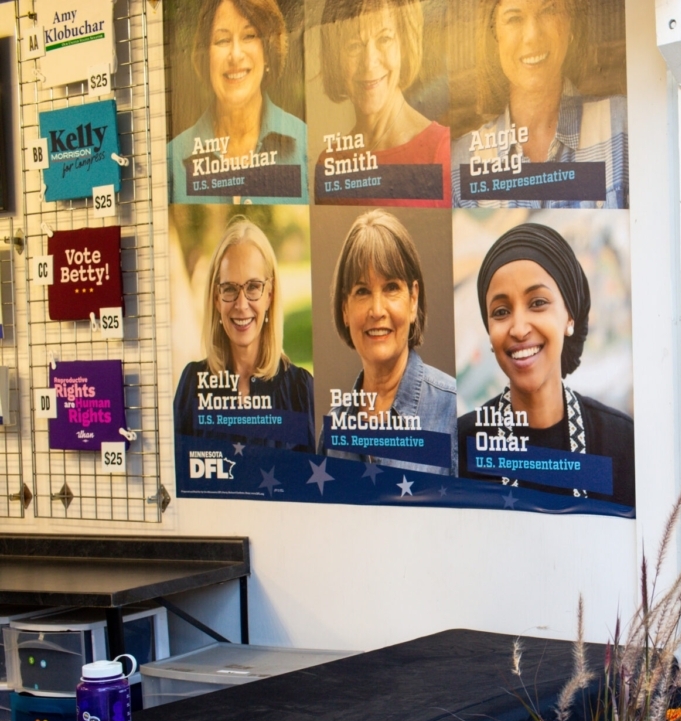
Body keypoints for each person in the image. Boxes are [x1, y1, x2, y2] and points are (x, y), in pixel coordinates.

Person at [457, 223, 634, 507]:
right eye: (501, 312)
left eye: (537, 302)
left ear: (569, 317)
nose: (518, 328)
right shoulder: (462, 445)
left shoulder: (620, 442)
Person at [450, 0, 628, 209]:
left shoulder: (620, 125)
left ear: (571, 23)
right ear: (494, 37)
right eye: (514, 18)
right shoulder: (462, 162)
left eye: (548, 10)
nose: (532, 35)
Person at [321, 210, 458, 475]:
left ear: (413, 298)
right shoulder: (334, 428)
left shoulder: (451, 409)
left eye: (391, 288)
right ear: (345, 309)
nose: (377, 310)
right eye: (362, 291)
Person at [174, 216, 316, 451]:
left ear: (270, 294)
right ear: (216, 298)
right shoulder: (193, 385)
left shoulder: (299, 390)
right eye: (229, 288)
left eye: (253, 287)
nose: (241, 304)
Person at [168, 0, 308, 204]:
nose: (235, 55)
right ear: (206, 56)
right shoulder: (173, 159)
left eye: (249, 36)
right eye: (222, 40)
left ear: (267, 51)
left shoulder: (305, 146)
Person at [316, 0, 451, 207]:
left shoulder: (441, 150)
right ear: (336, 59)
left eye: (384, 39)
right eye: (354, 45)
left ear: (404, 45)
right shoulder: (329, 163)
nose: (369, 62)